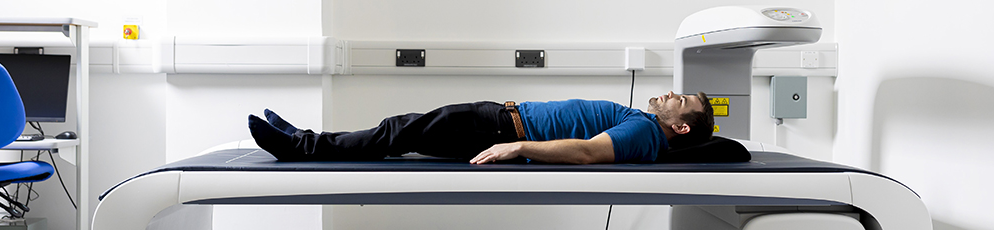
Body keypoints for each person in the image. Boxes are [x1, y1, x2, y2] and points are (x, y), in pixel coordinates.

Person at [248, 91, 714, 164]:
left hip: (499, 130)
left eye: (681, 100)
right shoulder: (645, 122)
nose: (671, 95)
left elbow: (590, 153)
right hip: (498, 120)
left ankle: (301, 148)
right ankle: (303, 139)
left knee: (397, 130)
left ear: (683, 128)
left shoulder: (645, 134)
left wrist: (518, 148)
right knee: (400, 130)